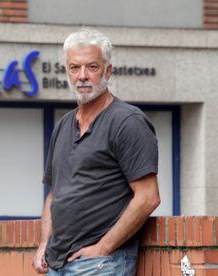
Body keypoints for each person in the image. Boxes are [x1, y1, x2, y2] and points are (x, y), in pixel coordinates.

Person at [32, 28, 161, 275]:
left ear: (107, 71)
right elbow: (54, 196)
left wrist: (104, 247)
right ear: (66, 72)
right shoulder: (63, 126)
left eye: (92, 67)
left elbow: (148, 197)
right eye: (74, 68)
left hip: (100, 264)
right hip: (57, 263)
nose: (82, 76)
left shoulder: (127, 121)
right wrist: (43, 244)